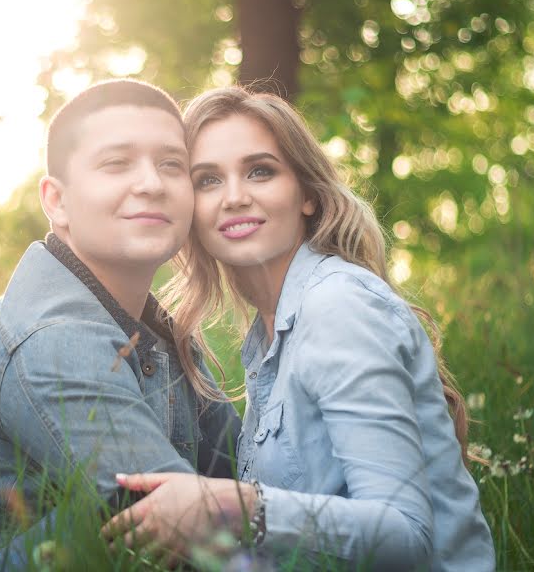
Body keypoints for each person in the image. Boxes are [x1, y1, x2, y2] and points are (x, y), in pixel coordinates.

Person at [103, 86, 495, 571]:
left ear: (307, 194)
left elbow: (405, 536)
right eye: (207, 180)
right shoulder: (269, 335)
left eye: (260, 171)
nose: (235, 197)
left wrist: (231, 508)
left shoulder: (338, 306)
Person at [0, 80, 240, 571]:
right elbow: (187, 526)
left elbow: (242, 475)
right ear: (56, 201)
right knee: (138, 517)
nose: (152, 184)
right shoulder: (53, 338)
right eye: (116, 164)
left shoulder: (159, 332)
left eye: (171, 165)